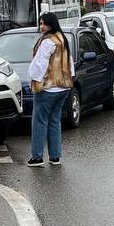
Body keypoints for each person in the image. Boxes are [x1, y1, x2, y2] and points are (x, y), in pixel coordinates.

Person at [27, 11, 72, 167]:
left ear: (51, 24)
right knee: (54, 121)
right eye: (40, 23)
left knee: (39, 122)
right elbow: (68, 62)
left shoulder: (47, 41)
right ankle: (55, 156)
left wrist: (33, 78)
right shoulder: (62, 38)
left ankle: (37, 157)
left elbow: (40, 63)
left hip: (48, 88)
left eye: (45, 24)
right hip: (63, 87)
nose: (42, 27)